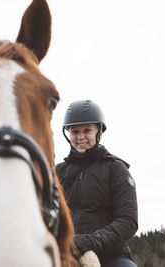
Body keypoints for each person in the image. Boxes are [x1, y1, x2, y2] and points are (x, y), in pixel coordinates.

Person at [56, 100, 138, 267]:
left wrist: (90, 241)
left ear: (99, 132)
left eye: (87, 130)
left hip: (110, 256)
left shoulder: (116, 169)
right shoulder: (58, 172)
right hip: (64, 253)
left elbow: (128, 221)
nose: (80, 137)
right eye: (74, 131)